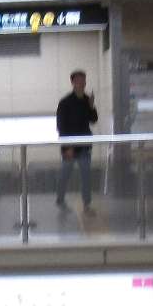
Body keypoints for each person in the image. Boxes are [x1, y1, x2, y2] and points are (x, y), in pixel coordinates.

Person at [54, 69, 100, 211]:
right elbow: (61, 126)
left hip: (85, 145)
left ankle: (87, 203)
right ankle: (60, 199)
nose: (82, 83)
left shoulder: (87, 100)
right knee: (65, 174)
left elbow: (93, 120)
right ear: (73, 82)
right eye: (79, 80)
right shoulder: (65, 102)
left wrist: (92, 106)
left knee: (86, 175)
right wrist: (67, 147)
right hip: (70, 146)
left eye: (84, 80)